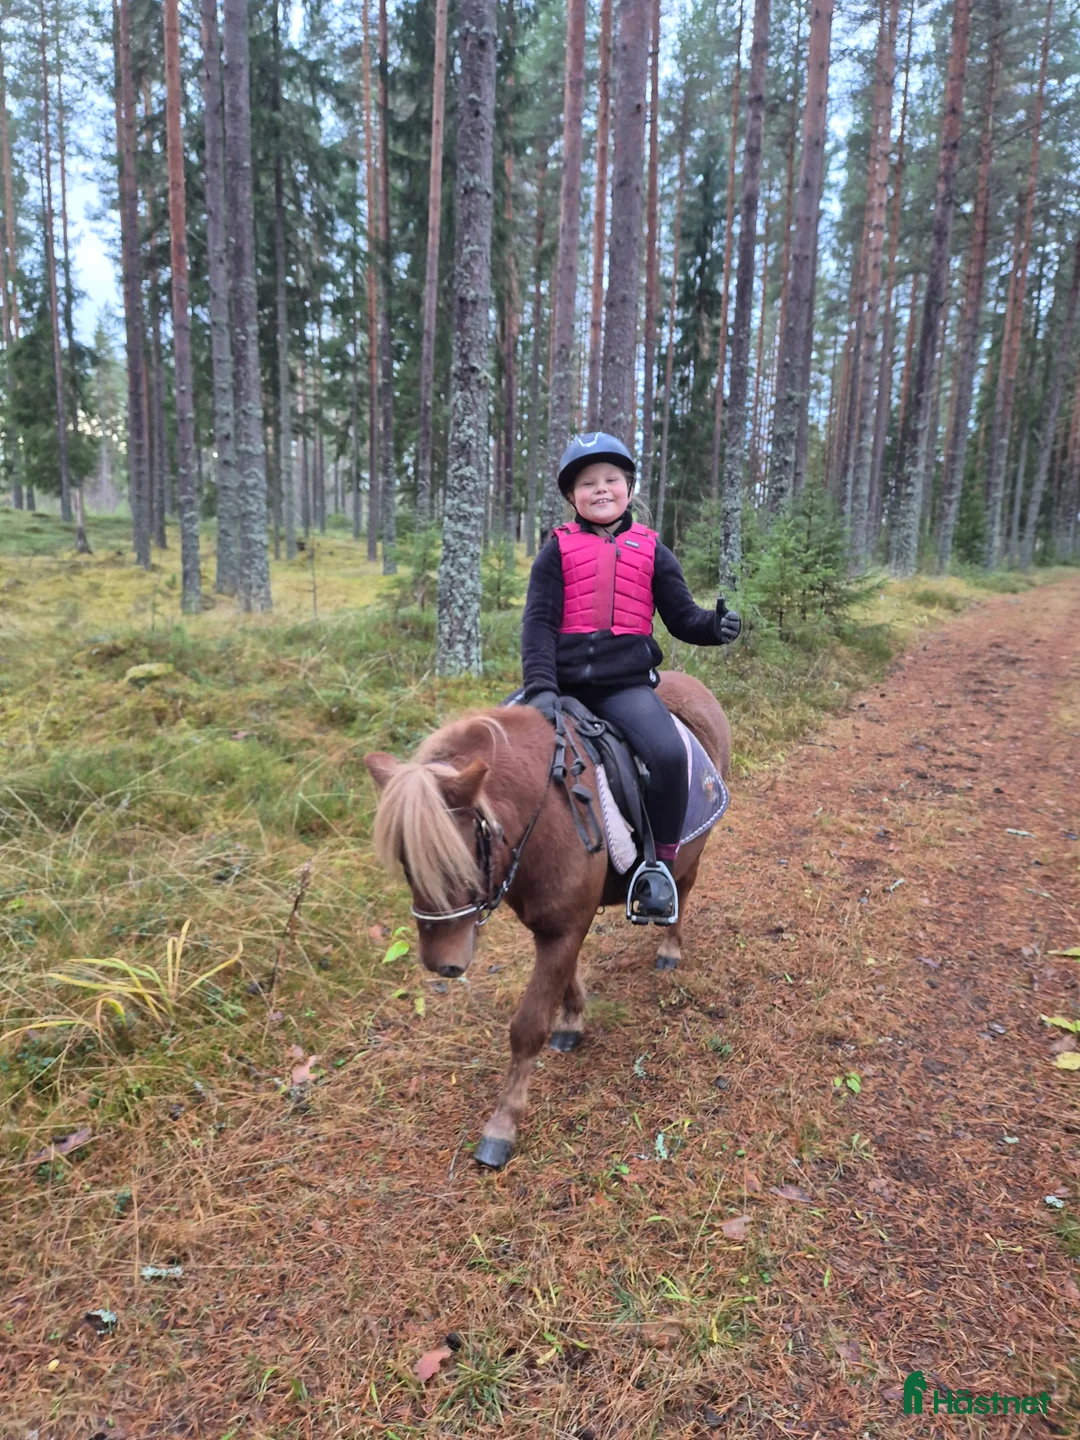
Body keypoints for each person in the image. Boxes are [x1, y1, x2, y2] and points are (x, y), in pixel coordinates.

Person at [521, 431, 741, 924]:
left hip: (625, 688)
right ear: (571, 495)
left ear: (628, 487)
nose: (600, 489)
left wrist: (715, 626)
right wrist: (539, 689)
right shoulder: (554, 551)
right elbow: (537, 623)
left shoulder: (652, 550)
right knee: (502, 753)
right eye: (587, 482)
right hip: (560, 685)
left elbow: (682, 617)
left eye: (611, 480)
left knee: (666, 754)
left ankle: (659, 868)